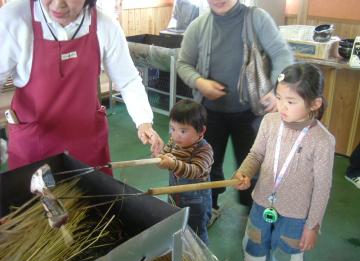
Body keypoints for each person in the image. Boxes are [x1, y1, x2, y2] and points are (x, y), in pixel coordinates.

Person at [0, 0, 163, 172]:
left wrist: (143, 121)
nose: (57, 4)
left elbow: (128, 80)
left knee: (93, 196)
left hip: (87, 143)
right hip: (34, 145)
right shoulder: (13, 19)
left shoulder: (104, 25)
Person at [176, 0, 294, 222]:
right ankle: (210, 208)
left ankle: (254, 212)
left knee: (254, 165)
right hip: (209, 113)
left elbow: (282, 54)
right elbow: (183, 63)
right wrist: (199, 82)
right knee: (207, 164)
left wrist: (278, 90)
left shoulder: (257, 19)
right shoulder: (199, 26)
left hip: (251, 113)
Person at [233, 63, 335, 261]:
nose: (281, 106)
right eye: (278, 98)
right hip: (261, 203)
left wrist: (313, 225)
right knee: (252, 250)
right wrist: (245, 171)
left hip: (295, 217)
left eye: (290, 101)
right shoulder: (269, 122)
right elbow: (256, 154)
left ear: (314, 104)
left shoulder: (323, 140)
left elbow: (322, 188)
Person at [158, 99, 213, 244]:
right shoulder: (174, 141)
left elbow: (195, 170)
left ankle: (201, 259)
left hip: (195, 200)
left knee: (196, 231)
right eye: (173, 129)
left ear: (201, 131)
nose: (176, 135)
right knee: (177, 222)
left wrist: (173, 164)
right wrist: (159, 157)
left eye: (183, 131)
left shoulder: (204, 149)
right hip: (174, 194)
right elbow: (164, 158)